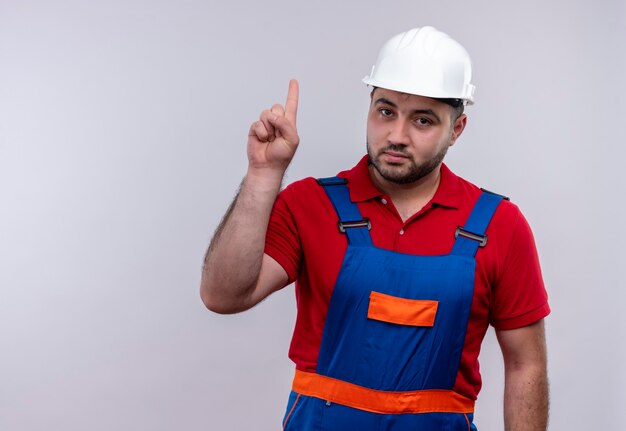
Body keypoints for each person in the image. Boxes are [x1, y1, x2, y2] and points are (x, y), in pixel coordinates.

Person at [201, 26, 550, 431]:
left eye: (423, 120)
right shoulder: (309, 204)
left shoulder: (499, 226)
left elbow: (526, 365)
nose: (396, 136)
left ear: (457, 129)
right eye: (386, 112)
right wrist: (263, 176)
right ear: (370, 106)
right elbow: (222, 295)